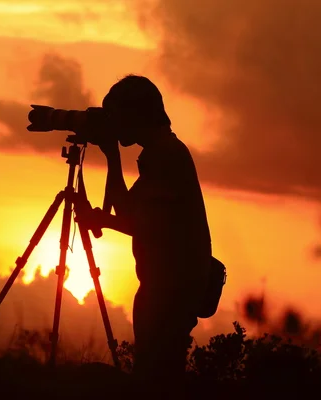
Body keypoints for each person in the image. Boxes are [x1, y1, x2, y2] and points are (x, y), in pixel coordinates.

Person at [76, 75, 212, 391]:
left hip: (169, 290)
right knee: (155, 379)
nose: (114, 125)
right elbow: (128, 212)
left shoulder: (165, 156)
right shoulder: (161, 152)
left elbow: (138, 223)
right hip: (165, 287)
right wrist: (112, 157)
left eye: (117, 116)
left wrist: (105, 219)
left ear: (136, 114)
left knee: (153, 383)